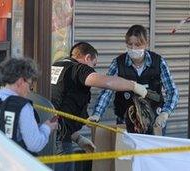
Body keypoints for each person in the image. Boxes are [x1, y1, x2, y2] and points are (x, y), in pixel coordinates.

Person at [51, 42, 148, 170]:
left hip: (47, 132)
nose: (93, 68)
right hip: (59, 140)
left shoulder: (56, 66)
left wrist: (78, 138)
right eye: (94, 64)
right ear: (87, 58)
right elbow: (107, 82)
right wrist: (134, 86)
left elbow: (62, 106)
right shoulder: (79, 68)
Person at [88, 24, 179, 136]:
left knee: (152, 153)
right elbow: (107, 90)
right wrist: (97, 114)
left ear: (146, 44)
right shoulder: (118, 63)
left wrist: (165, 113)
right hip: (126, 122)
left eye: (137, 45)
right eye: (130, 45)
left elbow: (172, 91)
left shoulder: (158, 62)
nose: (133, 48)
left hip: (154, 122)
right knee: (128, 153)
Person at [0, 57, 58, 155]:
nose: (29, 90)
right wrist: (47, 128)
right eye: (29, 84)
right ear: (20, 81)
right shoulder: (23, 107)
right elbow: (34, 144)